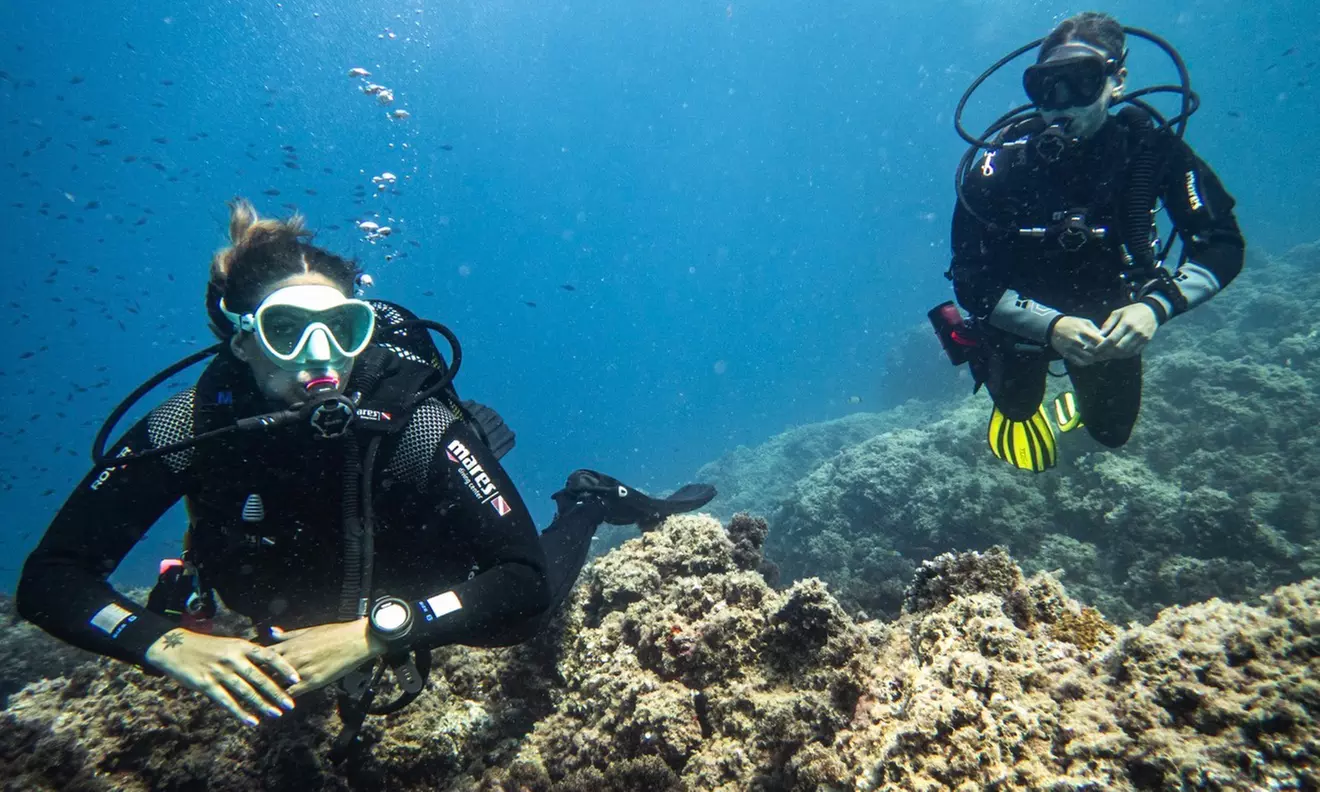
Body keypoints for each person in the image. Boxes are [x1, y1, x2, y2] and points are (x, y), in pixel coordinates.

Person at [16, 199, 713, 752]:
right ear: (241, 341)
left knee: (512, 624)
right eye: (289, 330)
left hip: (408, 586)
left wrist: (381, 631)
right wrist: (168, 644)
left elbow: (522, 583)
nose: (323, 357)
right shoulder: (192, 425)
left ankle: (586, 500)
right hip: (283, 595)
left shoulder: (412, 420)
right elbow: (51, 578)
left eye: (343, 329)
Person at [939, 11, 1245, 471]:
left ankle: (1074, 405)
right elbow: (969, 278)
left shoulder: (1150, 151)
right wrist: (1050, 326)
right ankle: (998, 368)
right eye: (1044, 86)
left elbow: (1220, 241)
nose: (1060, 102)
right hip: (1017, 322)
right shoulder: (1000, 164)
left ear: (1116, 81)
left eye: (1080, 82)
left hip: (1107, 325)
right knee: (1017, 408)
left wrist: (1154, 306)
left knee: (1112, 433)